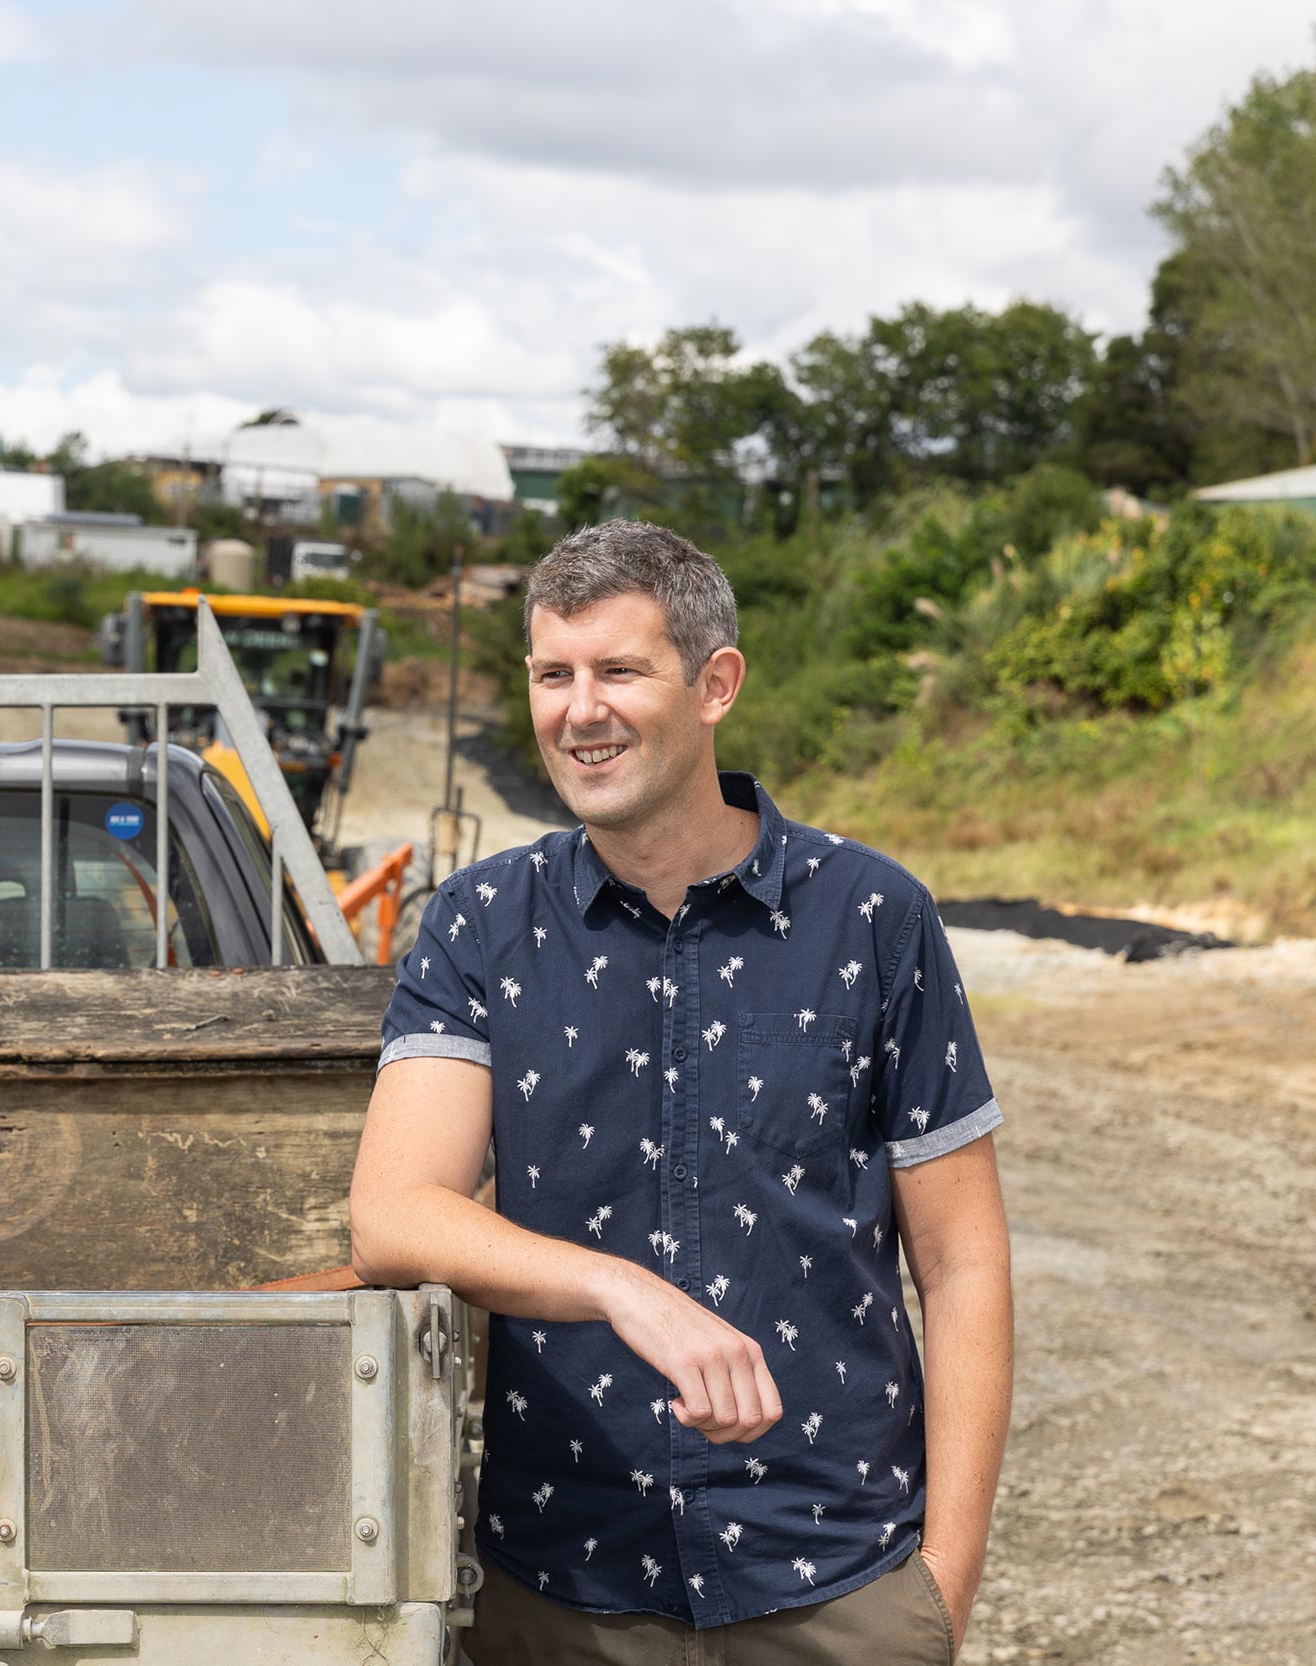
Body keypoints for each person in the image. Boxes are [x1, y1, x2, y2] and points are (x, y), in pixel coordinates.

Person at [351, 521, 1013, 1664]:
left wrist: (938, 1593)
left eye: (618, 669)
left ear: (715, 684)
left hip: (834, 1580)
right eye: (552, 675)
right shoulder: (476, 926)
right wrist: (621, 1290)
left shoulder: (871, 915)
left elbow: (961, 1263)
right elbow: (393, 1212)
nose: (577, 710)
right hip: (564, 1582)